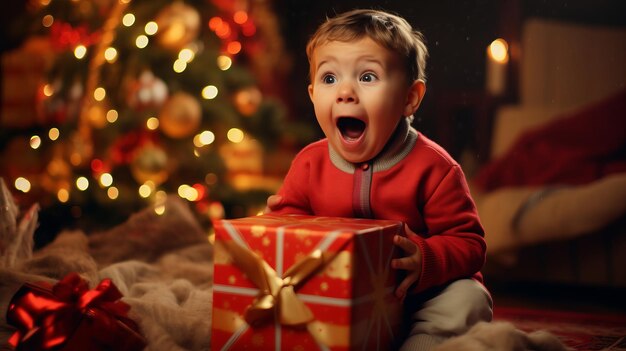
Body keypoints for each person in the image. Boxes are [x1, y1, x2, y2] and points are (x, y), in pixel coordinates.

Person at [266, 9, 492, 350]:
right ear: (313, 95)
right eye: (329, 79)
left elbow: (471, 244)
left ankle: (424, 342)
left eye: (367, 77)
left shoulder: (435, 168)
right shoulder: (309, 163)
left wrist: (425, 259)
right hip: (340, 293)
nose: (345, 92)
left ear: (409, 98)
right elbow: (289, 221)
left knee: (468, 298)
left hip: (417, 295)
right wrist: (278, 228)